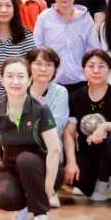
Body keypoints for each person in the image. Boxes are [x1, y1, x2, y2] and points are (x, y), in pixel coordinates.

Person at [0, 56, 61, 220]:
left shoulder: (41, 110)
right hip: (12, 169)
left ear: (29, 79)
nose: (16, 82)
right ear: (2, 79)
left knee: (26, 159)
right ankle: (25, 205)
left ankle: (41, 216)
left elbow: (54, 150)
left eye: (21, 76)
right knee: (5, 197)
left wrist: (48, 188)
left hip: (43, 169)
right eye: (10, 76)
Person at [63, 50, 111, 211]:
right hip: (90, 153)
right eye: (91, 66)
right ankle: (102, 180)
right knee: (77, 180)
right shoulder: (76, 97)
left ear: (109, 70)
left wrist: (106, 126)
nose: (96, 70)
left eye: (101, 66)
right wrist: (71, 162)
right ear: (84, 70)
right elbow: (69, 133)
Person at [32, 0, 100, 92]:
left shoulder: (85, 18)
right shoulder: (44, 17)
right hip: (51, 81)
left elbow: (93, 49)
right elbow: (37, 48)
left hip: (81, 81)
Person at [26, 46, 70, 204]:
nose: (43, 69)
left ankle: (49, 188)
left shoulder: (60, 92)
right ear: (29, 65)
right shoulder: (19, 89)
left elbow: (58, 125)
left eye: (49, 64)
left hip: (50, 149)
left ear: (55, 69)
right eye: (38, 64)